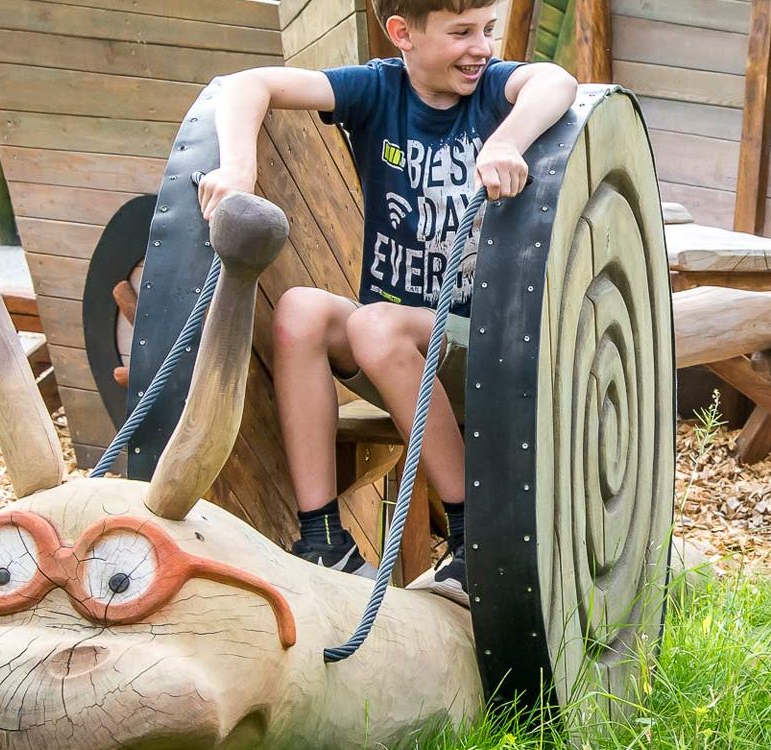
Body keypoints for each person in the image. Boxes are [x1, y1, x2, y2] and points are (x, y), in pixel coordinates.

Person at [196, 0, 580, 604]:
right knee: (298, 308)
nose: (480, 47)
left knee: (376, 325)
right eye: (460, 33)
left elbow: (558, 80)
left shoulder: (494, 92)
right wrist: (238, 168)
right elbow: (247, 85)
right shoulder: (379, 91)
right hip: (387, 343)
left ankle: (468, 534)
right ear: (402, 33)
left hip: (471, 348)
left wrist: (507, 142)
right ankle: (324, 538)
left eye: (487, 30)